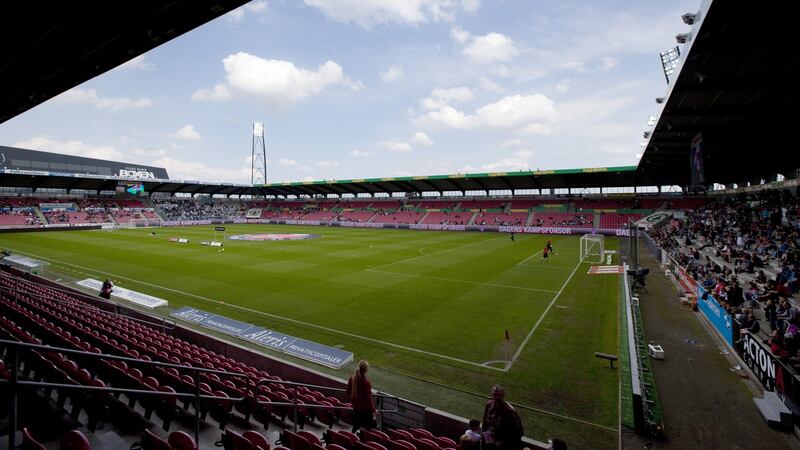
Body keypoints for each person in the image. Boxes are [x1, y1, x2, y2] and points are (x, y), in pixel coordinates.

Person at [481, 385, 523, 450]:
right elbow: (484, 424)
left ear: (503, 395)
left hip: (504, 445)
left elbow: (519, 431)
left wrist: (503, 442)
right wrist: (483, 442)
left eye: (499, 395)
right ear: (492, 395)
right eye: (495, 394)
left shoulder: (509, 411)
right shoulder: (488, 405)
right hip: (489, 441)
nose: (497, 397)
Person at [346, 360, 376, 433]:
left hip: (356, 409)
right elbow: (368, 400)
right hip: (365, 411)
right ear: (366, 370)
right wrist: (374, 411)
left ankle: (352, 437)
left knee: (356, 425)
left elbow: (348, 393)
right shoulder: (366, 383)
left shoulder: (352, 379)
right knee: (369, 430)